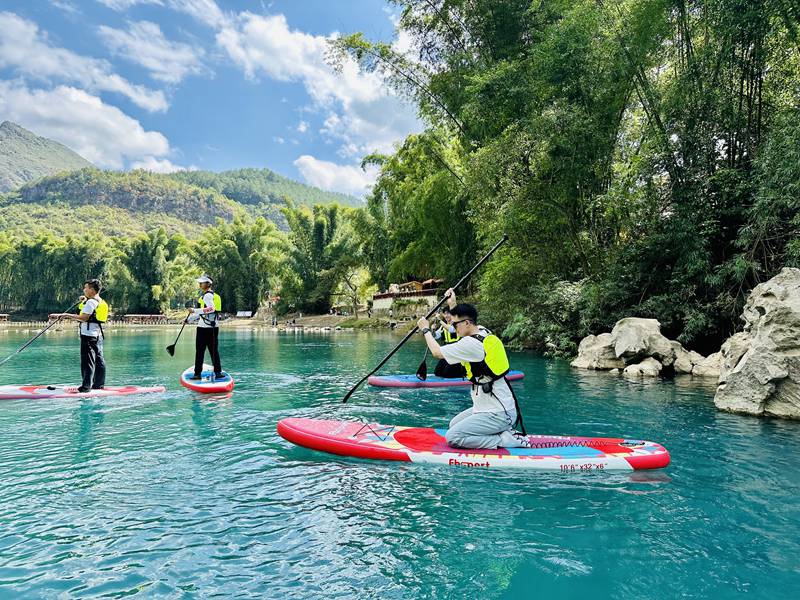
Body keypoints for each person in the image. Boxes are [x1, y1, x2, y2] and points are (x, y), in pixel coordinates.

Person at [418, 289, 530, 449]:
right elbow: (460, 323)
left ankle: (503, 440)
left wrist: (425, 329)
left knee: (453, 437)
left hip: (498, 413)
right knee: (453, 423)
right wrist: (453, 304)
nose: (452, 327)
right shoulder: (482, 331)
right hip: (492, 407)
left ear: (467, 323)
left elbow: (436, 352)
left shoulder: (471, 345)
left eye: (454, 324)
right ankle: (501, 432)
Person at [59, 279, 108, 392]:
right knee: (99, 359)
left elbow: (83, 317)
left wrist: (66, 315)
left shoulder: (91, 302)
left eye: (86, 288)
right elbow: (83, 311)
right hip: (97, 335)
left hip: (88, 335)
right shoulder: (99, 301)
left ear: (91, 290)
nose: (84, 290)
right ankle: (98, 385)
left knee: (87, 360)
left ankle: (86, 387)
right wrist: (83, 301)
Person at [186, 274, 224, 380]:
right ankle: (218, 373)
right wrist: (189, 319)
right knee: (213, 351)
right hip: (213, 327)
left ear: (208, 284)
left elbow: (211, 309)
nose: (199, 284)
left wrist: (194, 310)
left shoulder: (207, 296)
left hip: (203, 329)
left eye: (201, 282)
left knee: (200, 351)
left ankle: (197, 374)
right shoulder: (207, 296)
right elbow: (202, 313)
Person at [432, 305, 467, 378]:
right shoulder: (443, 326)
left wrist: (439, 321)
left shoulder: (457, 324)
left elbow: (452, 330)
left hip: (456, 352)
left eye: (448, 313)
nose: (446, 315)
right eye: (444, 313)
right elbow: (435, 336)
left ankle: (462, 374)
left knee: (446, 374)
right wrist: (432, 331)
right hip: (447, 351)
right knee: (437, 372)